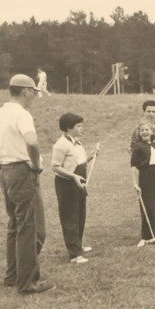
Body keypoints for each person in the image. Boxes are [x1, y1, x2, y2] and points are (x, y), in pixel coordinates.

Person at [0, 72, 51, 296]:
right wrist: (36, 165)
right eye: (33, 92)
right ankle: (27, 283)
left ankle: (13, 276)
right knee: (31, 229)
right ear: (25, 91)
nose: (34, 97)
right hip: (23, 172)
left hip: (6, 172)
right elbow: (32, 142)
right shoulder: (22, 114)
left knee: (15, 225)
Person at [50, 112, 98, 263]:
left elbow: (79, 162)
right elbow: (55, 167)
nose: (81, 128)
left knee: (80, 215)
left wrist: (91, 156)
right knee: (70, 217)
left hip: (79, 182)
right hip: (67, 184)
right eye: (78, 126)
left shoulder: (77, 142)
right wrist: (73, 177)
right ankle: (74, 254)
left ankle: (78, 246)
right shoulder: (60, 145)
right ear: (68, 127)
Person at [130, 120, 155, 246]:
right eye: (142, 130)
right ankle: (147, 237)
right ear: (139, 133)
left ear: (152, 132)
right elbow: (133, 167)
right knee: (148, 206)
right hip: (147, 176)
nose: (144, 132)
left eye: (147, 130)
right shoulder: (138, 147)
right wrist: (135, 184)